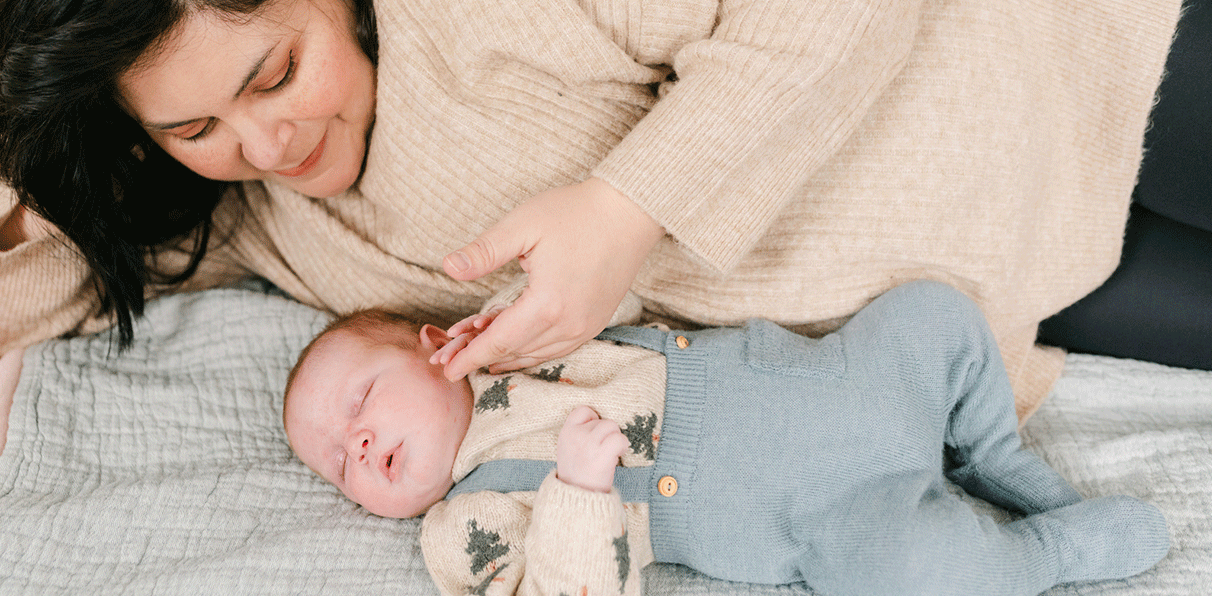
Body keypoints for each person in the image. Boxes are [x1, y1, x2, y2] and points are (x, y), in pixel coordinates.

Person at [0, 0, 1189, 421]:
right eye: (198, 123)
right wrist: (73, 145)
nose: (268, 139)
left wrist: (629, 206)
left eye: (277, 70)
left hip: (1042, 41)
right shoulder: (256, 210)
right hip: (1007, 257)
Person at [282, 280, 1170, 595]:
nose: (357, 445)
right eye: (336, 460)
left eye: (360, 402)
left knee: (934, 314)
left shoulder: (514, 343)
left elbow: (603, 294)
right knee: (925, 577)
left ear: (438, 349)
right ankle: (1051, 549)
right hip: (821, 514)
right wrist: (579, 494)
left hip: (831, 379)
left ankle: (992, 455)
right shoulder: (461, 529)